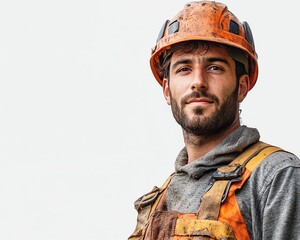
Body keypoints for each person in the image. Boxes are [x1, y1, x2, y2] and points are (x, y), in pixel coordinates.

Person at [128, 1, 300, 239]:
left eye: (215, 67)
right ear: (167, 90)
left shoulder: (275, 177)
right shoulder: (159, 201)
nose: (198, 81)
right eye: (184, 69)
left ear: (242, 86)